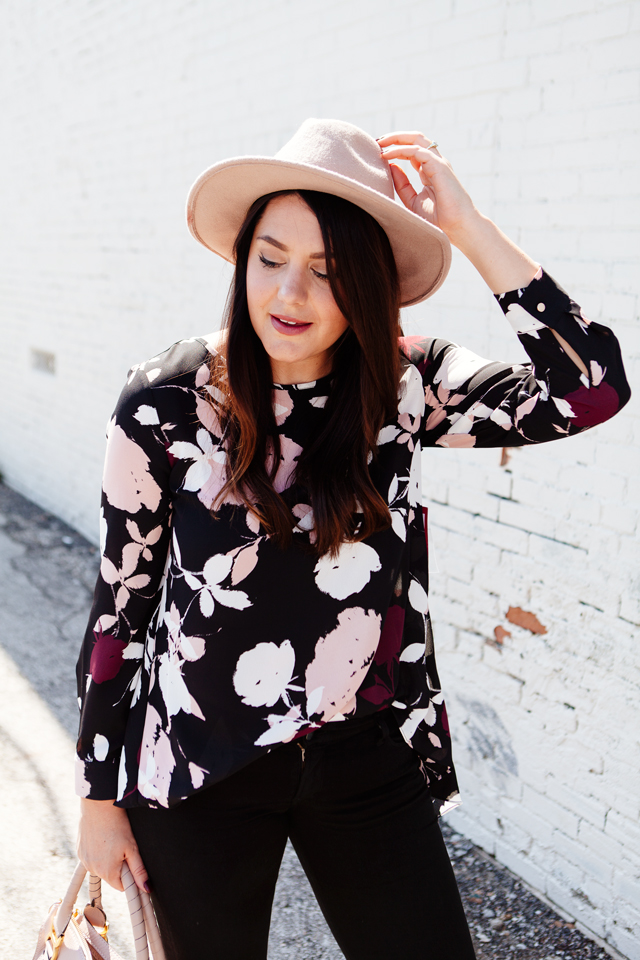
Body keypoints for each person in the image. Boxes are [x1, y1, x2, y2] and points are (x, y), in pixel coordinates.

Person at [75, 119, 630, 960]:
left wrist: (468, 228)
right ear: (243, 261)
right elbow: (121, 605)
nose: (289, 296)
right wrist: (97, 799)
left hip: (365, 758)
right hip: (200, 763)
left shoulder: (406, 384)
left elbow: (590, 387)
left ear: (370, 286)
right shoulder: (169, 402)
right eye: (270, 258)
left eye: (328, 272)